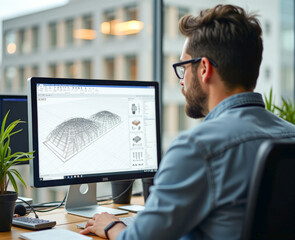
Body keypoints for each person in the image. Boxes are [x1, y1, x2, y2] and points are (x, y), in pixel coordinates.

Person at [80, 4, 295, 240]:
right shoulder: (290, 136)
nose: (181, 82)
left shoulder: (198, 148)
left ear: (204, 69)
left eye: (183, 67)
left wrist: (111, 225)